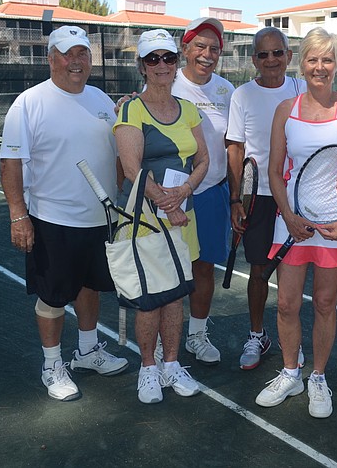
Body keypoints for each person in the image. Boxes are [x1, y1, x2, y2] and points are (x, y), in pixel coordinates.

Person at [0, 25, 128, 402]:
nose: (76, 61)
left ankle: (87, 351)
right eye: (67, 53)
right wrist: (18, 215)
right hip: (52, 220)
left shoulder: (103, 100)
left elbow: (118, 155)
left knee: (90, 287)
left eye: (82, 54)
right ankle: (52, 364)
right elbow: (10, 163)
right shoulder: (29, 103)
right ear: (51, 58)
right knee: (54, 296)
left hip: (100, 219)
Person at [255, 28, 337, 418]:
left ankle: (318, 377)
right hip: (291, 220)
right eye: (312, 59)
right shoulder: (286, 109)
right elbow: (273, 170)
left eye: (328, 60)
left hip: (335, 224)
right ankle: (290, 372)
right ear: (300, 63)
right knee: (286, 303)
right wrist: (288, 215)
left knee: (323, 302)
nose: (319, 67)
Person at [114, 29, 209, 404]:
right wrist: (168, 205)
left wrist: (185, 193)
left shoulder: (188, 109)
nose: (162, 66)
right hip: (146, 220)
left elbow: (203, 159)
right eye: (153, 59)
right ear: (142, 66)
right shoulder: (130, 109)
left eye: (168, 58)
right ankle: (148, 369)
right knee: (149, 298)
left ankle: (172, 365)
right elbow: (131, 168)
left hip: (183, 215)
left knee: (176, 296)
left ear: (176, 62)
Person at [226, 27, 305, 370]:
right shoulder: (242, 95)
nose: (271, 60)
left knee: (295, 272)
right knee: (259, 270)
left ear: (289, 56)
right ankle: (257, 334)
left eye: (278, 53)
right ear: (254, 59)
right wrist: (235, 198)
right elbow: (236, 148)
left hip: (298, 197)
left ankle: (293, 339)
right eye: (263, 54)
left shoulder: (304, 90)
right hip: (258, 195)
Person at [167, 17, 235, 365]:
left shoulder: (226, 91)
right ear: (185, 48)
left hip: (211, 192)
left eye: (214, 49)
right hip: (170, 195)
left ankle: (196, 334)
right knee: (170, 268)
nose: (207, 54)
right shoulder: (167, 83)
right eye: (200, 46)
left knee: (204, 267)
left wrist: (236, 197)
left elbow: (232, 144)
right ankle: (168, 342)